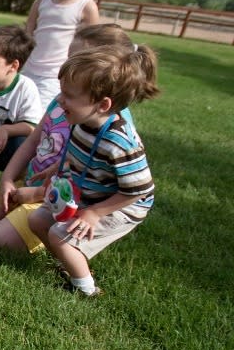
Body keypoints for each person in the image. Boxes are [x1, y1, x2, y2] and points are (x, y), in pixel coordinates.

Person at [0, 24, 138, 253]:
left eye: (76, 59)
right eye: (69, 58)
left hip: (60, 201)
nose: (67, 66)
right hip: (29, 184)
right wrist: (7, 179)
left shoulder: (107, 123)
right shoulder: (63, 99)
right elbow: (32, 142)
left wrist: (37, 195)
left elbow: (92, 179)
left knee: (3, 239)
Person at [29, 45, 160, 296]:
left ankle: (86, 290)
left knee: (59, 235)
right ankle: (68, 263)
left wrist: (95, 214)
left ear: (102, 104)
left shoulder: (120, 142)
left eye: (68, 95)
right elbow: (80, 154)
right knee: (37, 220)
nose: (59, 100)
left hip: (122, 205)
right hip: (93, 194)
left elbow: (139, 190)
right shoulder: (82, 121)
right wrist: (55, 168)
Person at [22, 0, 105, 109]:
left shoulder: (87, 6)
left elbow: (91, 47)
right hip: (29, 68)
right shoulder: (42, 0)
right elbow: (28, 34)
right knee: (19, 109)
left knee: (40, 116)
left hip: (56, 76)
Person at [0, 24, 41, 170]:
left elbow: (31, 127)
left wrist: (5, 130)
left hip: (4, 149)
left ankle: (14, 177)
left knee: (22, 142)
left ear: (13, 66)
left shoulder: (25, 88)